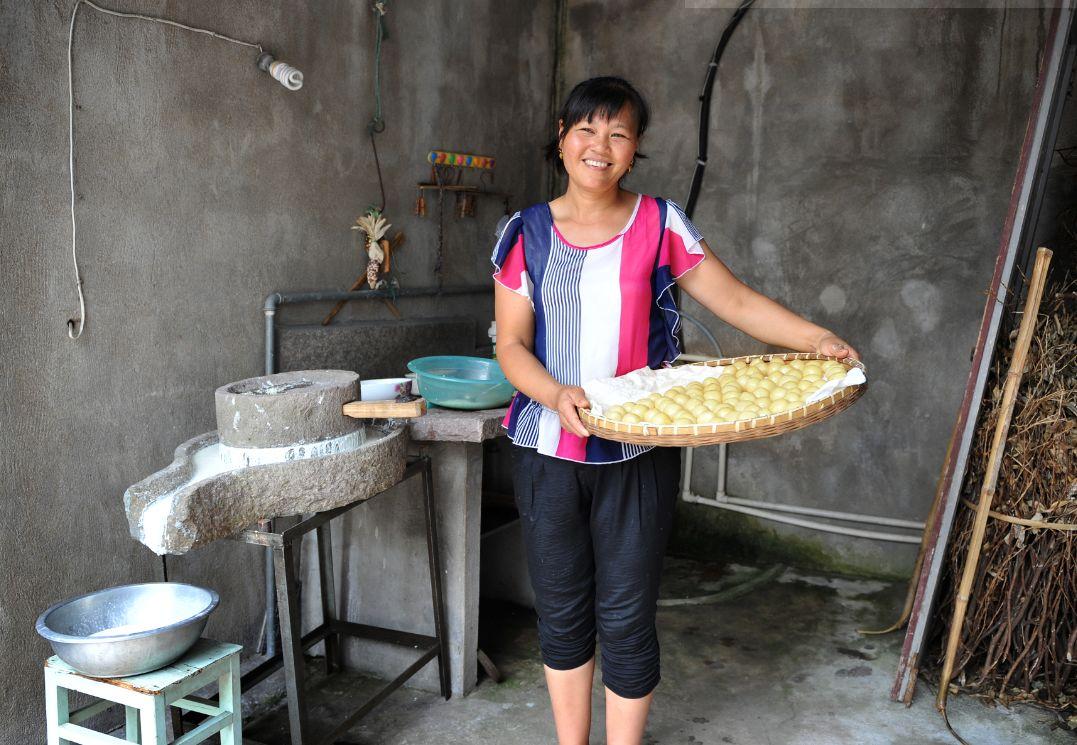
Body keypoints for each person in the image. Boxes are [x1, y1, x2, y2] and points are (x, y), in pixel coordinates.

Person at [491, 76, 860, 745]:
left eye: (618, 133)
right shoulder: (526, 232)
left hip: (637, 451)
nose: (598, 146)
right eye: (586, 129)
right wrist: (554, 393)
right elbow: (511, 344)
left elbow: (736, 300)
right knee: (563, 609)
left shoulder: (660, 223)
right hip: (546, 450)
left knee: (627, 613)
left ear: (634, 149)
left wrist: (815, 339)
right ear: (561, 135)